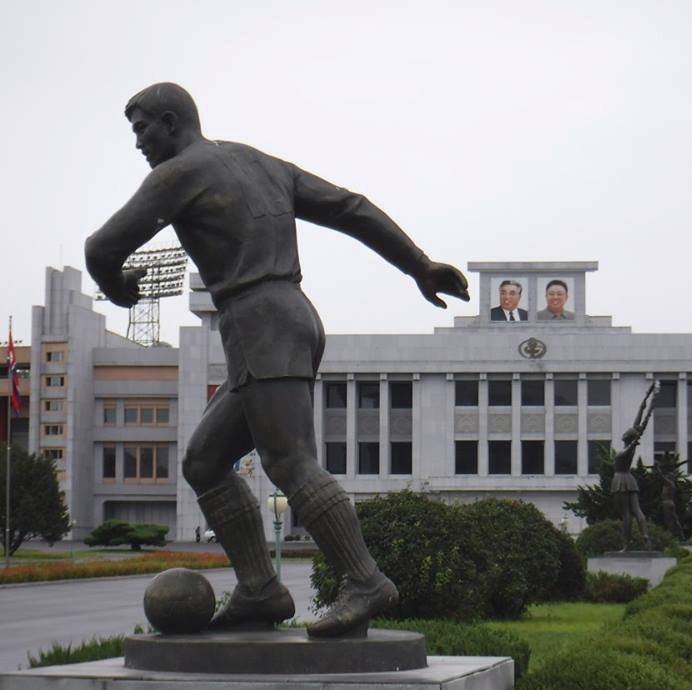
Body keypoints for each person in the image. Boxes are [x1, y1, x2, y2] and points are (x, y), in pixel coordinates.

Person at [85, 83, 469, 639]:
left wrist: (117, 286)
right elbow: (349, 207)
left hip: (261, 320)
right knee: (204, 461)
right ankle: (260, 590)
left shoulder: (177, 175)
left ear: (170, 122)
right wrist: (418, 265)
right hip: (290, 317)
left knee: (290, 461)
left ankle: (365, 581)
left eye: (142, 128)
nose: (139, 142)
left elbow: (100, 248)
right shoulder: (259, 162)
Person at [611, 425, 650, 551]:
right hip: (629, 479)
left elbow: (631, 444)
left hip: (620, 480)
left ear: (626, 437)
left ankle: (626, 544)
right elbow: (636, 424)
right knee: (637, 510)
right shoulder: (629, 450)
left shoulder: (626, 451)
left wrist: (634, 442)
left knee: (626, 514)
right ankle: (645, 534)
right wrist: (642, 408)